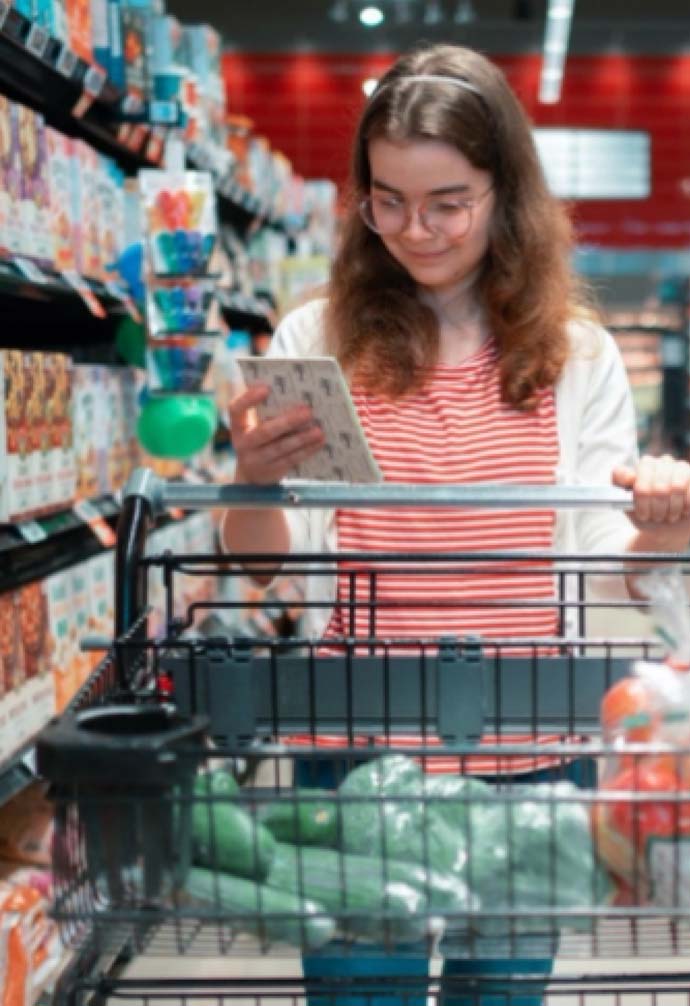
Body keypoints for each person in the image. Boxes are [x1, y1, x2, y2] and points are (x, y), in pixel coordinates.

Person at [221, 43, 690, 1006]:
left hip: (527, 749)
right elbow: (263, 566)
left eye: (448, 203)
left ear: (504, 192)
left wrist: (662, 516)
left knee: (502, 997)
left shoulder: (578, 355)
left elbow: (607, 573)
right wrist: (253, 482)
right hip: (355, 747)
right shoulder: (315, 340)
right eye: (386, 200)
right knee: (360, 996)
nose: (414, 230)